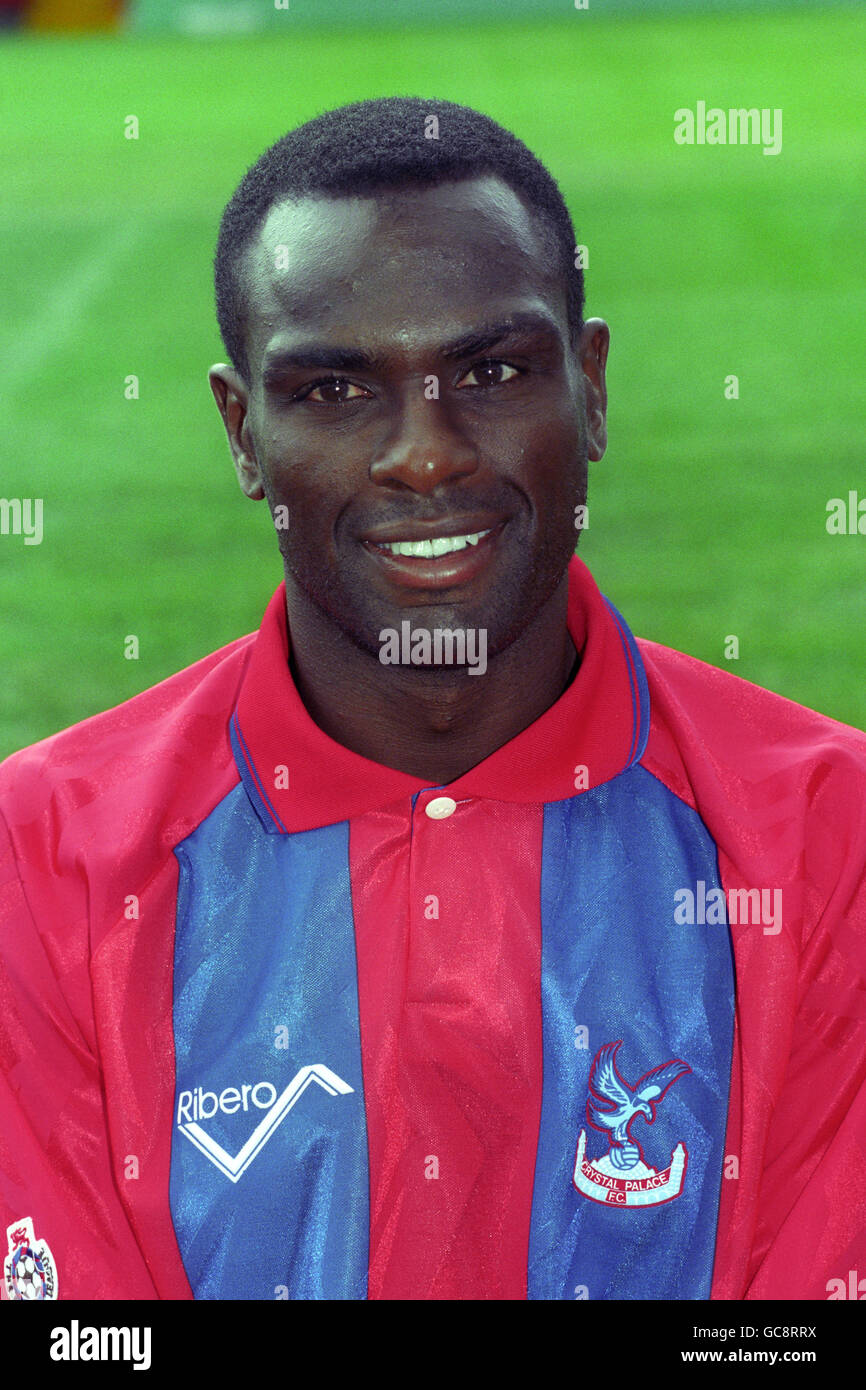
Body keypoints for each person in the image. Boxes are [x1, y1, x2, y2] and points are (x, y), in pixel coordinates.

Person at [1, 96, 864, 1303]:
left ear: (591, 386)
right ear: (242, 434)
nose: (425, 451)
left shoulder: (826, 834)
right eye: (336, 391)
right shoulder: (40, 856)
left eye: (492, 369)